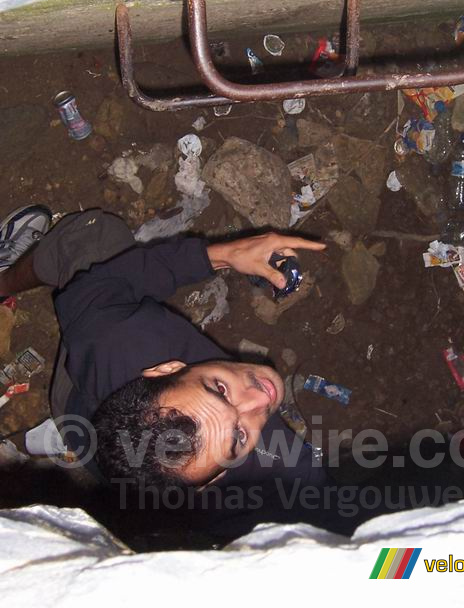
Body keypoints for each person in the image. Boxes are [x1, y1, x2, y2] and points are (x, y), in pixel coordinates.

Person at [0, 204, 328, 502]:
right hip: (112, 464)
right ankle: (79, 446)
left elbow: (89, 291)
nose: (261, 399)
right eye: (239, 436)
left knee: (96, 232)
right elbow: (362, 546)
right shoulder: (284, 476)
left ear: (166, 368)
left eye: (221, 389)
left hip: (76, 398)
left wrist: (223, 255)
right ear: (216, 479)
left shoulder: (121, 341)